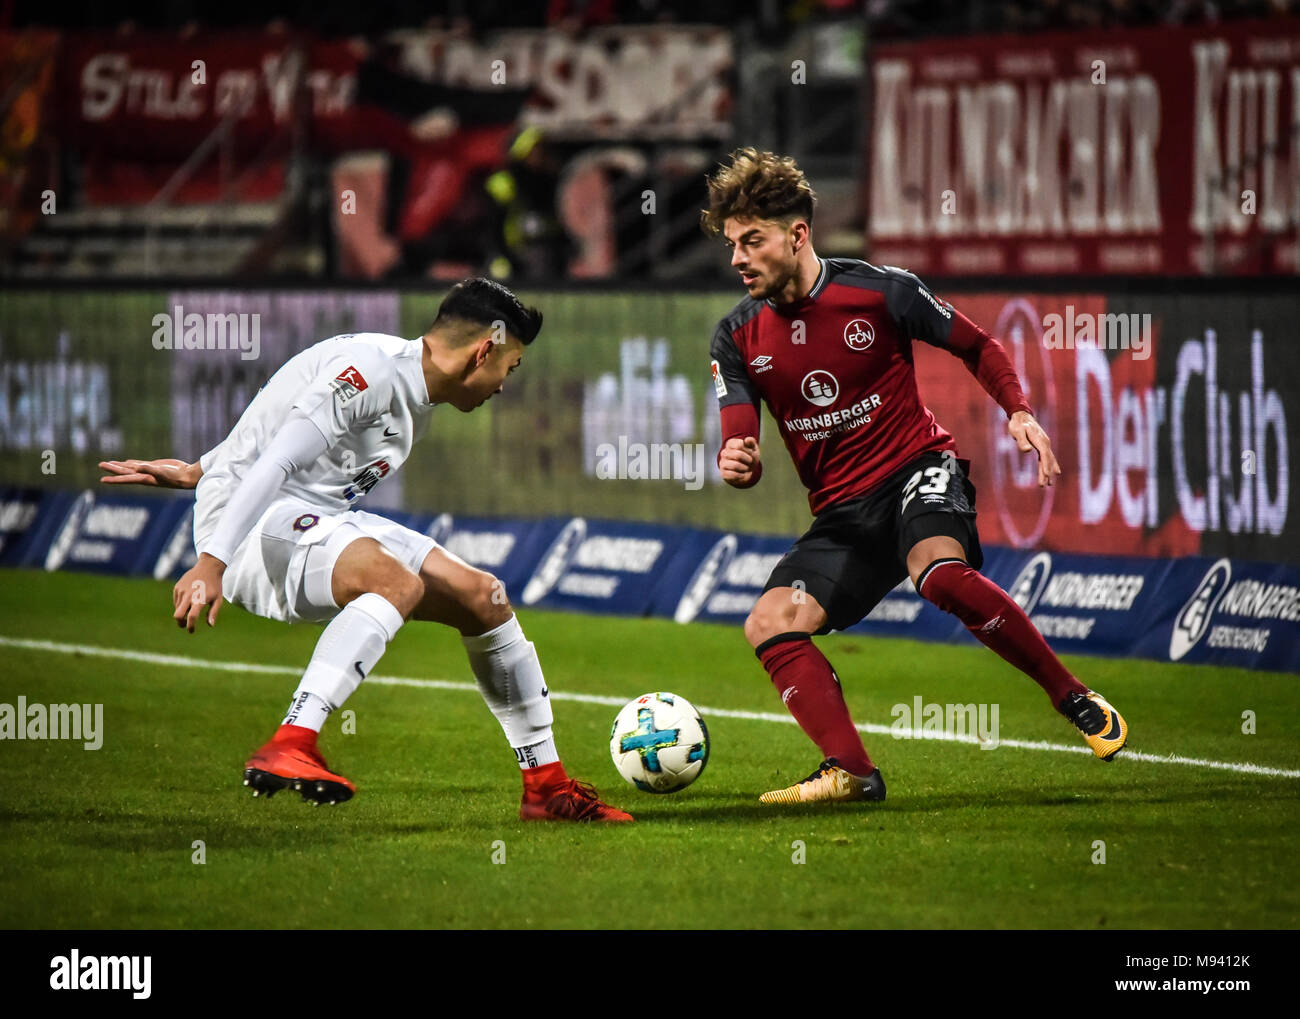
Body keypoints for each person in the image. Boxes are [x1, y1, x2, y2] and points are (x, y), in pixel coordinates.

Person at [99, 278, 632, 823]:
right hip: (252, 526)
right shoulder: (369, 372)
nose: (503, 386)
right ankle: (293, 739)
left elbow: (279, 425)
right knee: (396, 583)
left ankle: (546, 788)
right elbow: (278, 460)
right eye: (510, 368)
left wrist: (198, 469)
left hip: (307, 514)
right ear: (484, 350)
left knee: (484, 597)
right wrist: (211, 561)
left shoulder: (409, 387)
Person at [701, 149, 1128, 805]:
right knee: (768, 622)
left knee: (939, 573)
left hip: (917, 470)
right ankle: (850, 770)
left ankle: (1073, 695)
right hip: (844, 513)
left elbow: (978, 345)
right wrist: (739, 459)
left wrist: (1018, 412)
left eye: (751, 240)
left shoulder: (881, 291)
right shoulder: (736, 335)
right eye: (732, 243)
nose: (737, 257)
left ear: (797, 234)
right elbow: (739, 432)